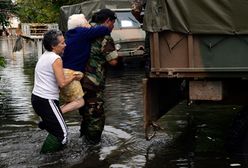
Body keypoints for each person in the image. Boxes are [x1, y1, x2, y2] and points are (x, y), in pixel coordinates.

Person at [31, 29, 82, 153]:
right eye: (62, 43)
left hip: (38, 99)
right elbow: (62, 83)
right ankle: (44, 159)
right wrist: (75, 76)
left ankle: (57, 155)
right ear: (54, 46)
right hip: (45, 100)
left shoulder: (45, 55)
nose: (65, 45)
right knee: (62, 134)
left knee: (56, 131)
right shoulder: (55, 59)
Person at [79, 8, 118, 144]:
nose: (113, 27)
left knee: (85, 113)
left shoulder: (84, 31)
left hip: (78, 81)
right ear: (108, 21)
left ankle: (83, 142)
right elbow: (113, 61)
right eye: (113, 23)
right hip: (93, 83)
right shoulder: (104, 36)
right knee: (96, 116)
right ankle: (93, 150)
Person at [60, 14, 111, 114]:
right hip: (71, 74)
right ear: (81, 25)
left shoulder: (69, 34)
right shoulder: (81, 32)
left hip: (63, 72)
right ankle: (52, 116)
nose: (88, 24)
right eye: (86, 22)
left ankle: (51, 115)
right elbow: (105, 29)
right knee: (79, 102)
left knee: (71, 102)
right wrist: (90, 27)